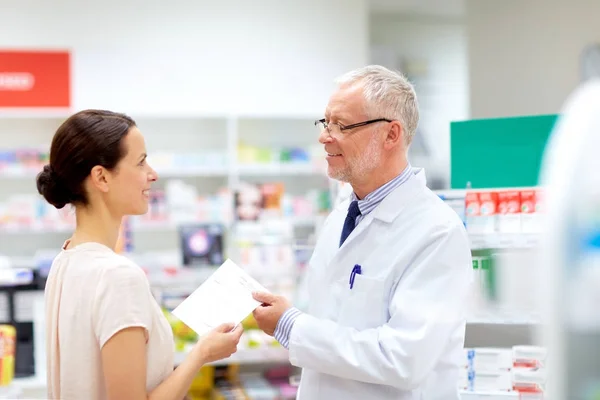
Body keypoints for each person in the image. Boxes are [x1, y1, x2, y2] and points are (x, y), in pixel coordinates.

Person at [252, 65, 473, 399]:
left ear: (391, 135)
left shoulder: (437, 232)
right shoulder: (343, 213)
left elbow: (403, 359)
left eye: (342, 125)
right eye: (326, 122)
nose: (324, 136)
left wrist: (292, 326)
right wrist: (286, 313)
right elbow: (333, 318)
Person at [37, 110, 243, 400]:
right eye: (141, 161)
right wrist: (202, 353)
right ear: (102, 177)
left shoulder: (65, 259)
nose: (152, 174)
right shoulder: (117, 275)